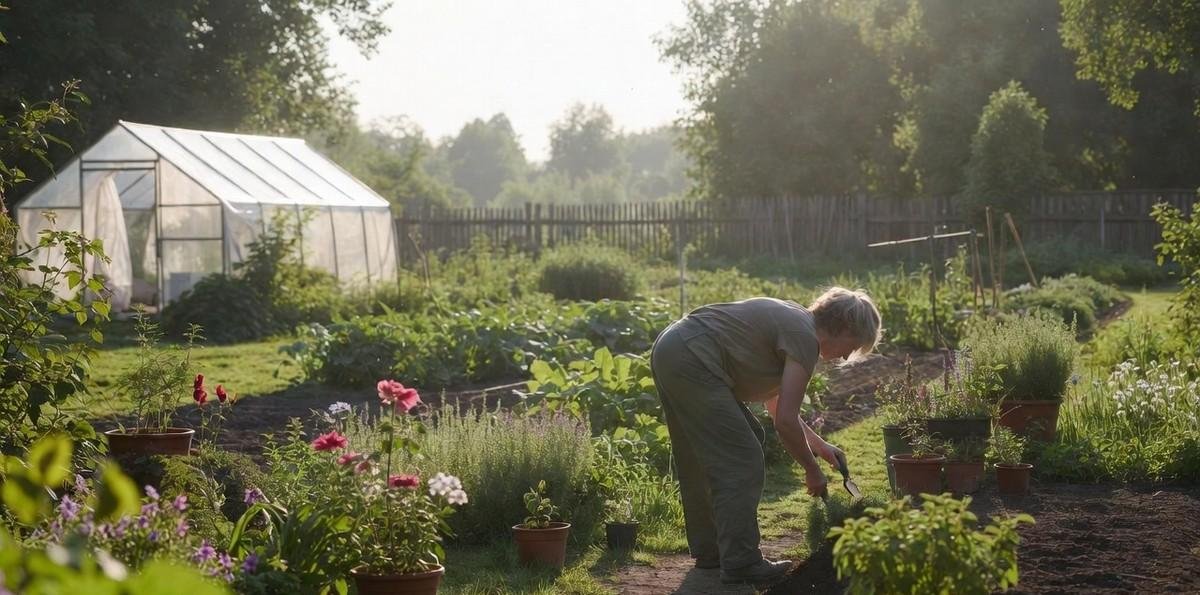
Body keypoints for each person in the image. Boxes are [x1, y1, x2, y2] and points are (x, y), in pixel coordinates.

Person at [649, 287, 883, 585]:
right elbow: (785, 422)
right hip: (692, 356)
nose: (849, 355)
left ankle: (714, 552)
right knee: (742, 459)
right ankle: (742, 563)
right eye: (855, 344)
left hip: (674, 348)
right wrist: (812, 471)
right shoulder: (804, 338)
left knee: (706, 456)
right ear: (845, 326)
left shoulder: (796, 323)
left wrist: (819, 446)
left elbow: (776, 408)